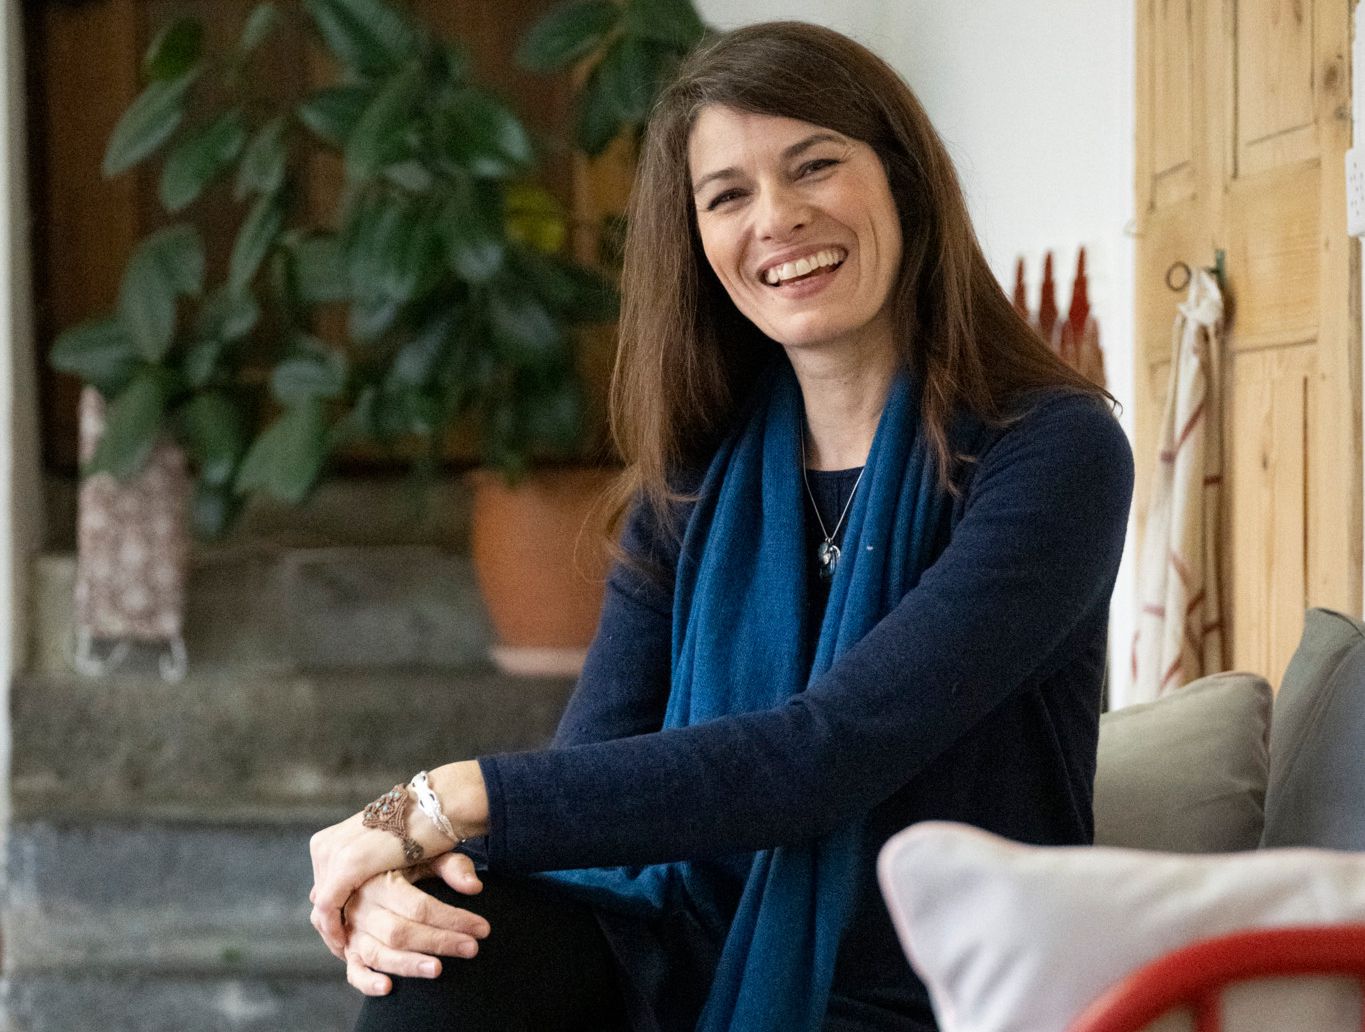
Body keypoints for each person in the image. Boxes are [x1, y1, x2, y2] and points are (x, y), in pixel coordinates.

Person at [308, 20, 1134, 1032]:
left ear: (904, 182)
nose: (777, 219)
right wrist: (416, 869)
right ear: (696, 241)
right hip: (691, 949)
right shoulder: (698, 481)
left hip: (932, 985)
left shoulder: (1049, 453)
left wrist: (442, 800)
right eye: (728, 195)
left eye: (815, 165)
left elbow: (824, 754)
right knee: (449, 945)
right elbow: (592, 773)